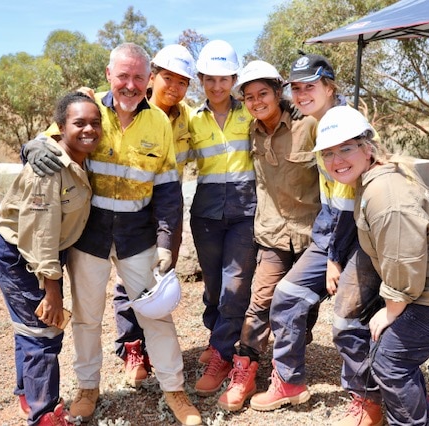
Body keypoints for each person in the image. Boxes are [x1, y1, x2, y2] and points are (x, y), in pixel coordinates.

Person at [22, 43, 201, 426]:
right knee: (87, 317)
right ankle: (87, 388)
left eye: (139, 77)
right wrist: (32, 146)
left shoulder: (159, 125)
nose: (131, 85)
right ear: (109, 75)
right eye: (123, 76)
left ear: (149, 78)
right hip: (89, 232)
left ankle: (175, 391)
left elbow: (169, 189)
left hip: (139, 234)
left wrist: (168, 242)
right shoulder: (88, 111)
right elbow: (46, 140)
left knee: (156, 314)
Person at [314, 104, 429, 426]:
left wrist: (392, 309)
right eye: (328, 153)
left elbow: (403, 259)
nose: (336, 160)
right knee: (391, 354)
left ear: (367, 147)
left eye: (345, 148)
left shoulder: (384, 193)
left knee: (392, 360)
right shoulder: (375, 181)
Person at [249, 54, 383, 418]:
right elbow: (330, 202)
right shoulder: (315, 125)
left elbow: (349, 209)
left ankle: (368, 400)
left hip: (365, 238)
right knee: (287, 297)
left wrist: (334, 258)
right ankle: (289, 382)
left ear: (329, 86)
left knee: (347, 318)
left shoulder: (346, 123)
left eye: (311, 86)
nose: (303, 93)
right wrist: (327, 252)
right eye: (297, 87)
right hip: (333, 233)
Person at [0, 92, 102, 426]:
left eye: (95, 123)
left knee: (29, 328)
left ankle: (27, 394)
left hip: (42, 253)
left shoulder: (82, 158)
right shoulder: (49, 168)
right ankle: (44, 415)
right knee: (44, 332)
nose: (89, 130)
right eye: (79, 123)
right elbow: (40, 234)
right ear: (60, 127)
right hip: (22, 256)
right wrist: (51, 289)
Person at [215, 60, 321, 411]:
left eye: (263, 93)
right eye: (249, 97)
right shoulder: (251, 132)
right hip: (273, 234)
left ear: (279, 92)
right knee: (260, 301)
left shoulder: (311, 126)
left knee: (300, 308)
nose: (257, 101)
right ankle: (245, 368)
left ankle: (286, 371)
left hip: (311, 236)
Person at [110, 43, 195, 389]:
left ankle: (154, 347)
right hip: (129, 210)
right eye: (167, 79)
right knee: (125, 282)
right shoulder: (126, 106)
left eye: (182, 83)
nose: (174, 89)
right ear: (153, 77)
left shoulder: (187, 116)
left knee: (159, 278)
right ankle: (132, 348)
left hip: (167, 210)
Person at [188, 39, 258, 397]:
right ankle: (216, 334)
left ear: (235, 79)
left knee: (235, 285)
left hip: (246, 212)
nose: (217, 86)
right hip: (206, 212)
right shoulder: (191, 118)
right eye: (210, 79)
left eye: (225, 79)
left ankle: (223, 353)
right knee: (214, 285)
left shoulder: (250, 111)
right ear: (201, 79)